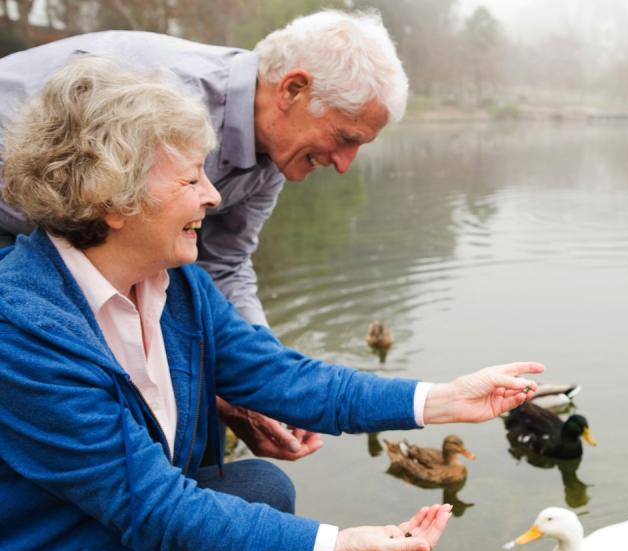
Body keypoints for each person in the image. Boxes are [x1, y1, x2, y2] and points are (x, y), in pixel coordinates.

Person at [0, 56, 543, 551]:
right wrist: (338, 545)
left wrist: (443, 399)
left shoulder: (179, 287)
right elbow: (158, 508)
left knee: (264, 488)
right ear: (111, 196)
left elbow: (286, 379)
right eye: (190, 180)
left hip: (103, 536)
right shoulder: (25, 328)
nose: (212, 195)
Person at [0, 9, 409, 461]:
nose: (344, 163)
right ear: (294, 89)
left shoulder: (274, 150)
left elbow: (225, 266)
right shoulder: (159, 105)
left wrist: (269, 388)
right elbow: (79, 255)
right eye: (344, 137)